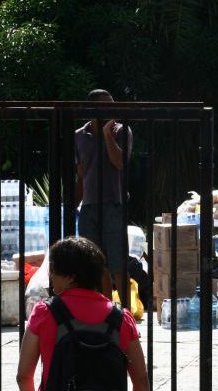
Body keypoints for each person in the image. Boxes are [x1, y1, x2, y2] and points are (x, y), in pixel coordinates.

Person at [16, 236, 151, 391]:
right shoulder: (121, 318)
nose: (50, 277)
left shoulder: (44, 313)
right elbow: (141, 380)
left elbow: (24, 376)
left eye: (53, 270)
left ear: (70, 276)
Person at [75, 88, 133, 297]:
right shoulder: (79, 136)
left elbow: (119, 163)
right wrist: (74, 202)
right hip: (89, 207)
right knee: (96, 265)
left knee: (118, 264)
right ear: (93, 108)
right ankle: (105, 313)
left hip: (113, 205)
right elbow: (81, 174)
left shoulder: (121, 131)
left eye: (113, 104)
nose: (113, 109)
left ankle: (125, 318)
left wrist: (107, 134)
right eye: (106, 105)